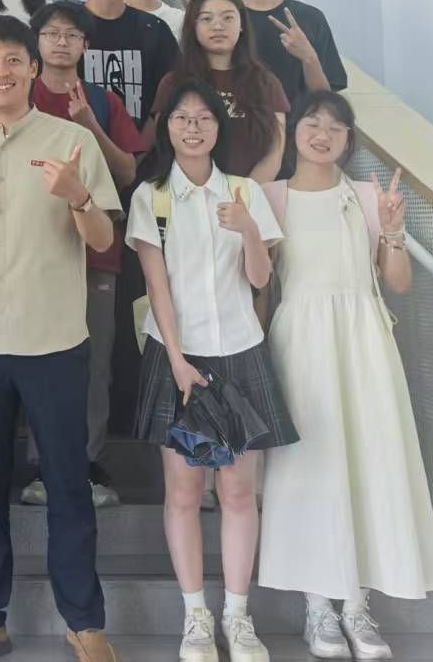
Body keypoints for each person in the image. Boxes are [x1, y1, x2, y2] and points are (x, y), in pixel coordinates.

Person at [0, 16, 123, 662]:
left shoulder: (73, 140)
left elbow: (103, 239)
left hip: (54, 340)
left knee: (68, 486)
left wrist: (77, 196)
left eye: (13, 60)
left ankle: (84, 621)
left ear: (33, 68)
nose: (2, 72)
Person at [259, 92, 433, 660]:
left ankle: (357, 605)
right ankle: (318, 605)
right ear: (294, 131)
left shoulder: (366, 196)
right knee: (310, 468)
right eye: (312, 123)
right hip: (299, 343)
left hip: (364, 341)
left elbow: (398, 281)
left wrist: (392, 228)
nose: (323, 134)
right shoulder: (272, 196)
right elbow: (260, 283)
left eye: (335, 127)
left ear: (348, 139)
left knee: (368, 463)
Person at [128, 77, 296, 662]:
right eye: (182, 118)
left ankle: (238, 617)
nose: (193, 127)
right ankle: (195, 617)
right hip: (177, 352)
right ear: (167, 128)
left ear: (218, 129)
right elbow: (157, 287)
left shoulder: (245, 192)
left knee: (239, 490)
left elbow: (259, 280)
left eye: (203, 118)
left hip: (241, 349)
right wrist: (176, 360)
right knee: (183, 490)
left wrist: (248, 228)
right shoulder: (152, 197)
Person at [21, 3, 144, 511]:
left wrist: (90, 123)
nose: (61, 42)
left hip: (96, 251)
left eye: (72, 35)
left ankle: (87, 463)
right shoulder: (18, 94)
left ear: (86, 46)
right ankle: (41, 464)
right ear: (36, 42)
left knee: (94, 364)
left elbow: (127, 172)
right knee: (38, 360)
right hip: (32, 250)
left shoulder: (101, 99)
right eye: (51, 33)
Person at [152, 0, 289, 182]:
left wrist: (245, 194)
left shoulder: (265, 82)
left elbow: (275, 152)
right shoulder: (173, 83)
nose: (218, 26)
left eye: (228, 18)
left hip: (252, 194)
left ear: (241, 24)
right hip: (189, 193)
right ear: (193, 26)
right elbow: (164, 146)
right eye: (206, 18)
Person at [77, 0, 179, 128]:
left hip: (142, 141)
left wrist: (145, 141)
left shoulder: (154, 29)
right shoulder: (68, 27)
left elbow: (172, 91)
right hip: (78, 140)